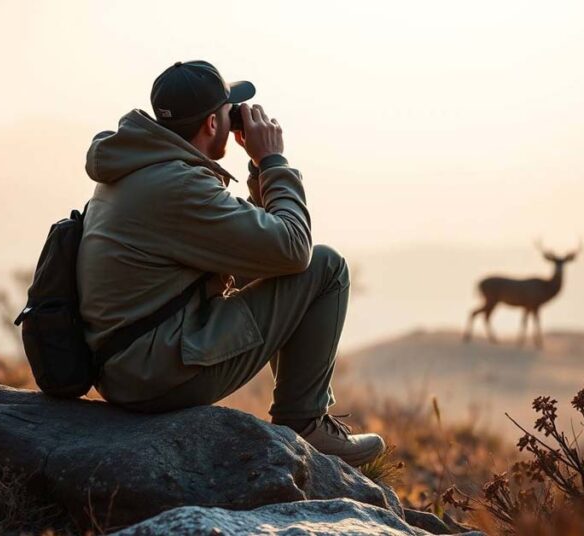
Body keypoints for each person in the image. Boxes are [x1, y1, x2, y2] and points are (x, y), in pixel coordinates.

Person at [76, 60, 385, 467]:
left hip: (130, 364)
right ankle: (304, 422)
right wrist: (273, 160)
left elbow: (255, 254)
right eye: (228, 111)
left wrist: (256, 169)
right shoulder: (179, 186)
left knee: (294, 268)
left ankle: (304, 417)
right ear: (210, 125)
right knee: (325, 268)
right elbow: (293, 249)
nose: (236, 115)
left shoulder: (141, 168)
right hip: (155, 377)